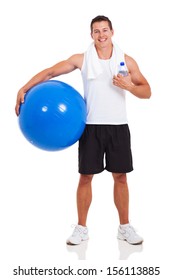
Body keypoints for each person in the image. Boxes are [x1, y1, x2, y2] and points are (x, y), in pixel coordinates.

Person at [15, 15, 151, 246]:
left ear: (112, 32)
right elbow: (50, 73)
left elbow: (147, 91)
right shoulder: (82, 59)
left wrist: (129, 86)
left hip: (118, 127)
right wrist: (25, 87)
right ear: (91, 35)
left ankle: (125, 227)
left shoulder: (127, 61)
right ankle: (81, 229)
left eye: (105, 30)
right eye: (96, 31)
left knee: (121, 177)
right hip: (90, 127)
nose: (101, 35)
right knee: (86, 177)